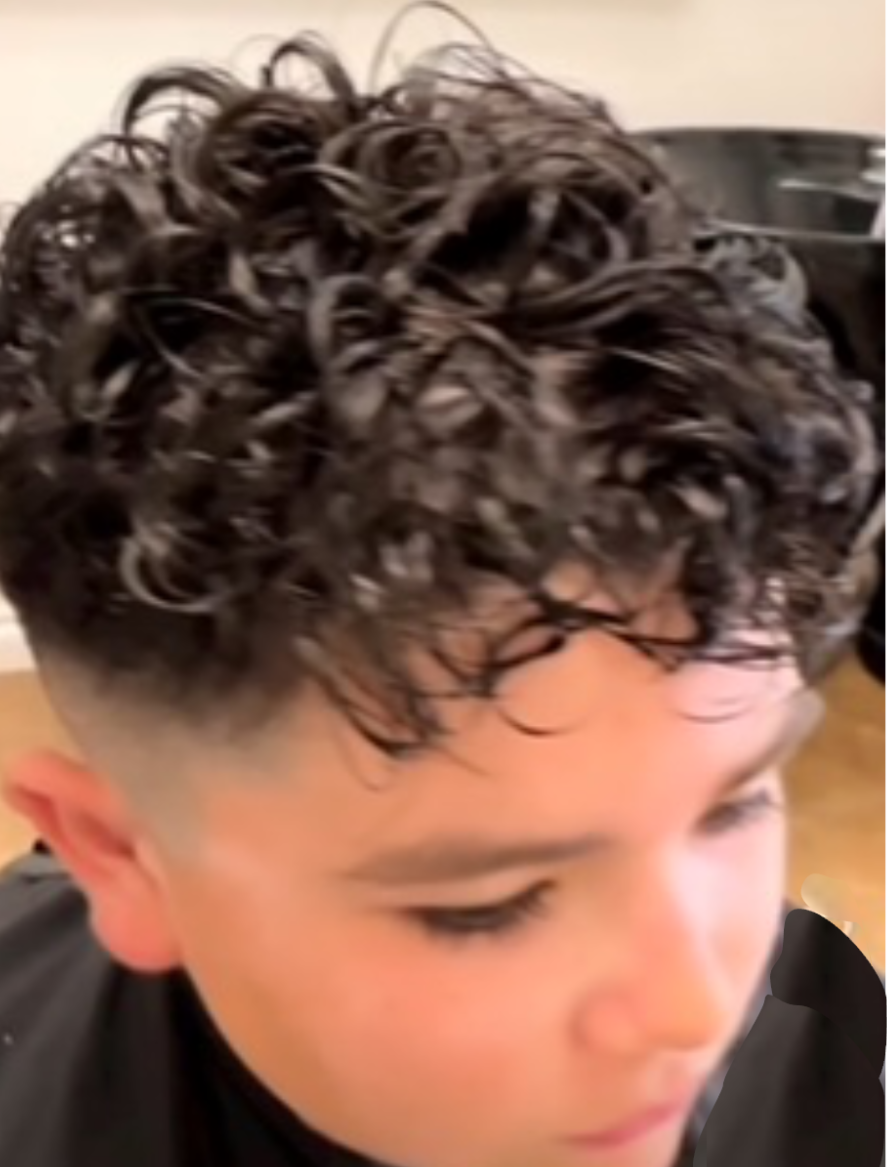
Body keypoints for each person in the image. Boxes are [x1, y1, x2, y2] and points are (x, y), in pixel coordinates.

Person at [0, 30, 882, 1167]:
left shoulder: (826, 1040)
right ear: (118, 856)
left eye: (732, 804)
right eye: (491, 905)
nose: (695, 1010)